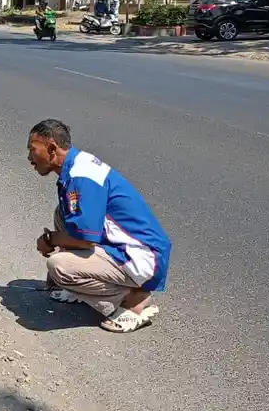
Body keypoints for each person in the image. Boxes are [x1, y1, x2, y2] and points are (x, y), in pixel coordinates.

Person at [26, 118, 171, 333]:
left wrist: (50, 240)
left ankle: (135, 300)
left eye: (32, 150)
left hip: (141, 257)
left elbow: (85, 240)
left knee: (59, 267)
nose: (29, 158)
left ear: (52, 148)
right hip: (126, 248)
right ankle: (82, 289)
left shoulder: (82, 176)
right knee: (63, 213)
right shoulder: (75, 166)